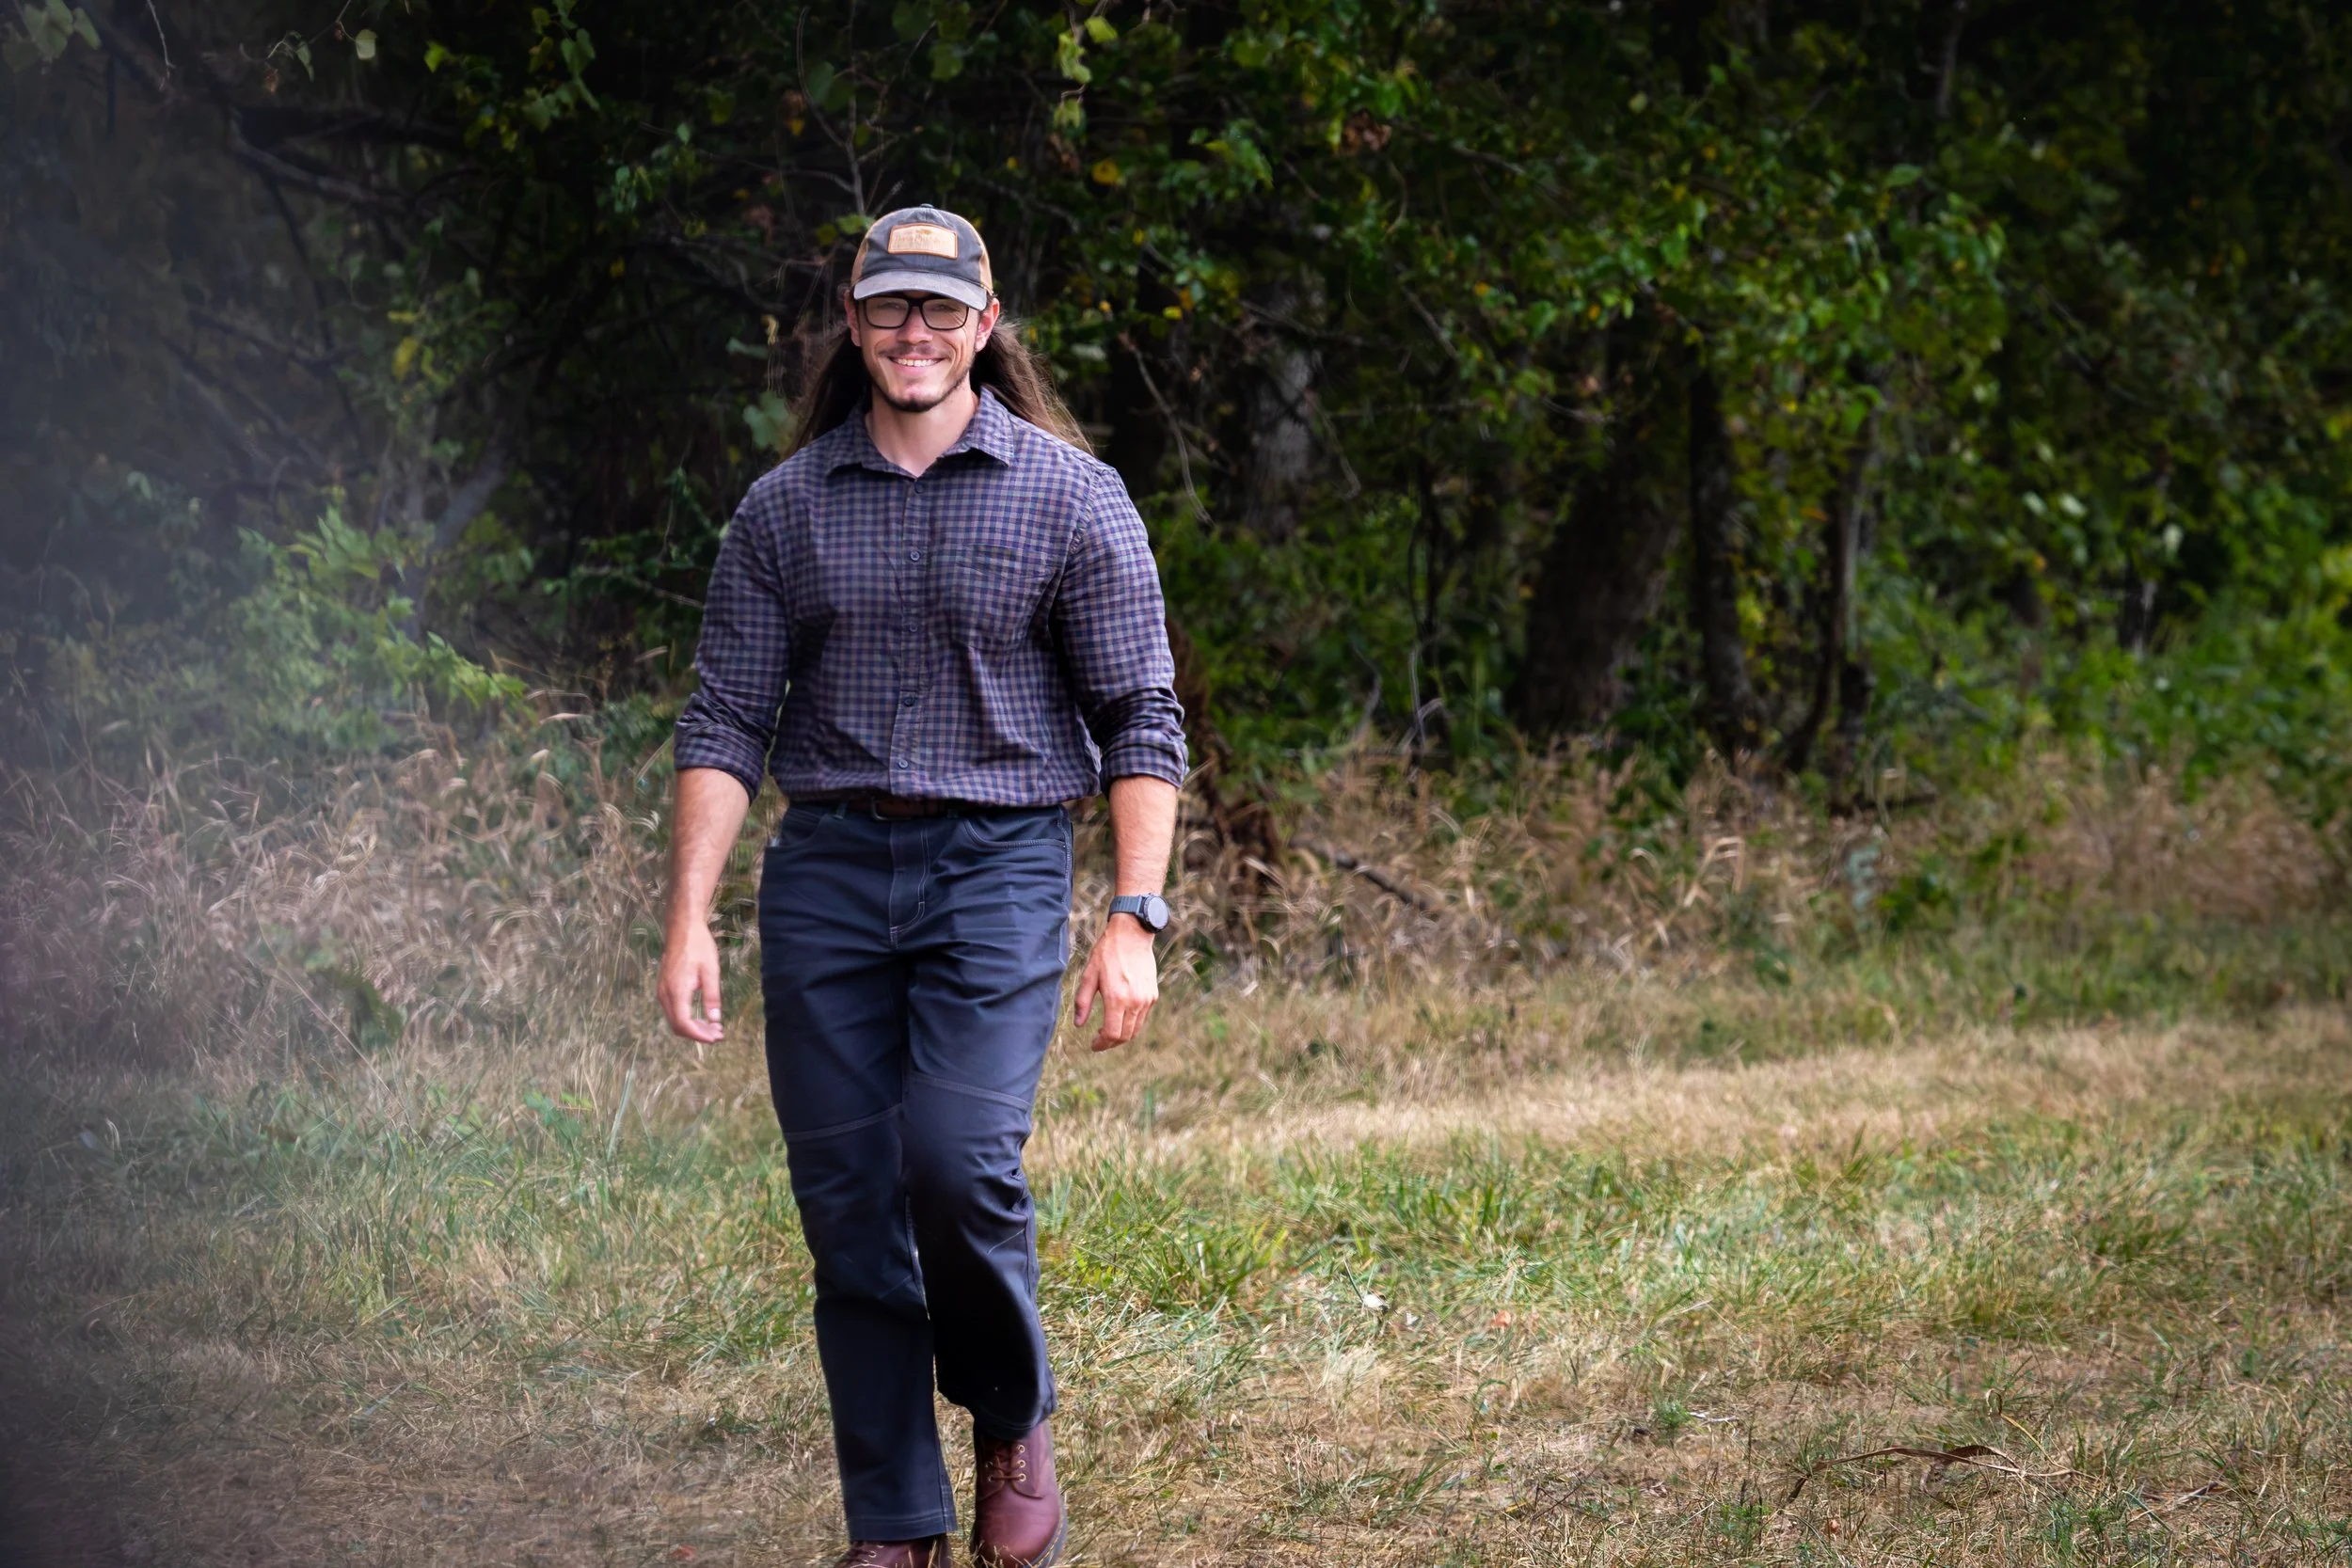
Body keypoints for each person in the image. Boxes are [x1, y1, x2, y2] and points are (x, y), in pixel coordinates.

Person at [658, 205, 1186, 1568]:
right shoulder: (784, 510)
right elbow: (723, 720)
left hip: (996, 863)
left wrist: (1133, 914)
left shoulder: (1072, 497)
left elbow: (1142, 717)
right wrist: (689, 919)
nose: (914, 331)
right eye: (891, 307)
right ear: (853, 321)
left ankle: (1011, 1416)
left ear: (984, 324)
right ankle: (894, 1519)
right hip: (828, 871)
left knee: (953, 1162)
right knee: (845, 1201)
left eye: (940, 311)